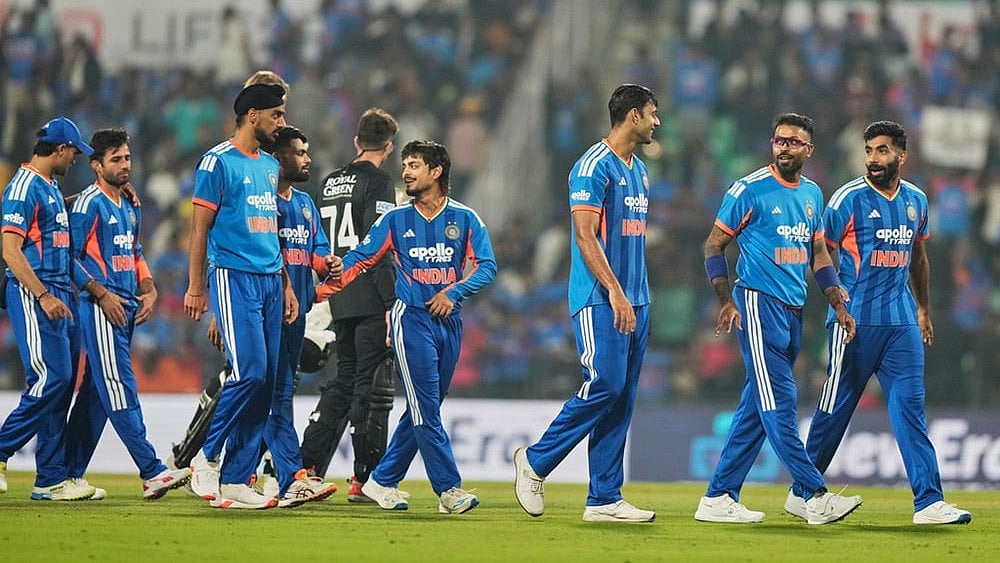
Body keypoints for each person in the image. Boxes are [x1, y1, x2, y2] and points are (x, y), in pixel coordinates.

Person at [784, 121, 972, 525]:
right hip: (854, 323)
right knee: (834, 411)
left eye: (882, 150)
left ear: (902, 155)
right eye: (869, 150)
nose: (873, 158)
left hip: (901, 323)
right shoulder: (846, 200)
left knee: (911, 409)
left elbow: (918, 259)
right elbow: (819, 253)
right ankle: (802, 491)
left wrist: (923, 309)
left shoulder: (917, 201)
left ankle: (929, 501)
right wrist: (832, 304)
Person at [693, 112, 862, 525]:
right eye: (779, 141)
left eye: (793, 142)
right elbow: (713, 246)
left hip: (793, 310)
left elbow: (818, 254)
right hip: (757, 302)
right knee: (779, 402)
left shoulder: (812, 194)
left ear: (809, 149)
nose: (785, 147)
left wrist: (837, 302)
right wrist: (726, 300)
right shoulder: (748, 190)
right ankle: (813, 494)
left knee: (756, 407)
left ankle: (718, 496)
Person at [316, 140, 497, 514]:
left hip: (449, 321)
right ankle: (448, 489)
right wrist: (321, 289)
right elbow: (361, 258)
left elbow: (487, 266)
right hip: (411, 318)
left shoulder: (465, 218)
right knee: (425, 407)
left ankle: (382, 480)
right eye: (404, 165)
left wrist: (455, 291)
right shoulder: (394, 220)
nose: (406, 172)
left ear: (436, 171)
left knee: (424, 406)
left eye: (414, 165)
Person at [513, 84, 659, 523]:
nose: (657, 121)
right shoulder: (592, 166)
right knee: (605, 384)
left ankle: (604, 499)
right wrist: (614, 290)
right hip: (601, 298)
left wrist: (633, 294)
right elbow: (584, 235)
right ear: (633, 116)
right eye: (652, 113)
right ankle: (535, 461)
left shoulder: (639, 170)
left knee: (622, 398)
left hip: (638, 299)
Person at [61, 128, 192, 499]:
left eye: (127, 158)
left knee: (96, 397)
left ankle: (65, 474)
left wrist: (149, 288)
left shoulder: (131, 204)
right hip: (102, 308)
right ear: (96, 165)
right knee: (119, 387)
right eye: (115, 159)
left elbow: (134, 253)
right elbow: (68, 258)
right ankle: (151, 470)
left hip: (127, 306)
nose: (124, 165)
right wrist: (101, 295)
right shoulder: (88, 204)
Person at [184, 83, 296, 510]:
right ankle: (206, 458)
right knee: (249, 371)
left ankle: (235, 478)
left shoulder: (269, 165)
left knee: (265, 383)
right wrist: (197, 286)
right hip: (234, 277)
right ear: (253, 116)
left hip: (270, 280)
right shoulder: (217, 162)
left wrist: (285, 283)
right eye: (276, 115)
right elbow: (199, 229)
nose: (281, 123)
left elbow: (270, 231)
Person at [299, 107, 399, 502]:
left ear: (357, 141)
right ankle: (365, 479)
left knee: (344, 380)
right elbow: (379, 245)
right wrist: (391, 302)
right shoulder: (380, 183)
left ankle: (308, 463)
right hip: (369, 291)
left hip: (337, 292)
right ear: (388, 147)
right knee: (369, 387)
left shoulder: (328, 182)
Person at [0, 117, 97, 500]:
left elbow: (52, 222)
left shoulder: (50, 186)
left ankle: (51, 478)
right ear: (59, 149)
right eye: (74, 152)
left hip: (60, 292)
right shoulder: (23, 187)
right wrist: (42, 295)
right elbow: (10, 251)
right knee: (51, 378)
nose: (75, 159)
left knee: (61, 386)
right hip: (34, 291)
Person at [258, 125, 338, 507]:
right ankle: (290, 477)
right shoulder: (261, 203)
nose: (308, 159)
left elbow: (316, 248)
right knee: (272, 394)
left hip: (298, 312)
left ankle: (236, 471)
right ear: (278, 158)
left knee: (275, 394)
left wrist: (327, 262)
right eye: (300, 152)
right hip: (267, 311)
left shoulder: (305, 203)